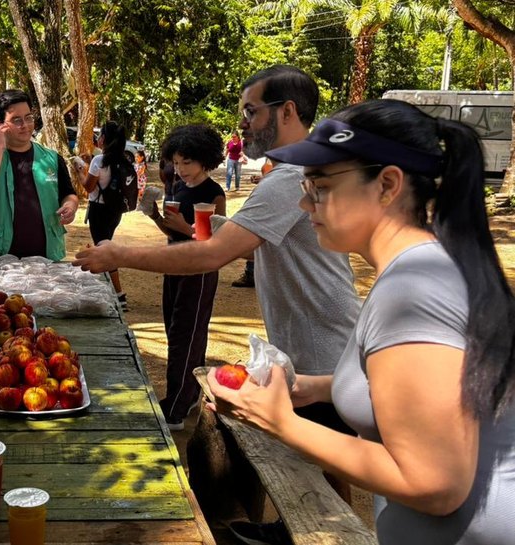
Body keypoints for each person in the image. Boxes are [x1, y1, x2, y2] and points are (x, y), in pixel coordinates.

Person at [208, 99, 515, 544]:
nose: (303, 202)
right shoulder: (421, 268)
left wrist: (281, 423)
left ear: (387, 185)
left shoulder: (415, 290)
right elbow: (433, 387)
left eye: (319, 186)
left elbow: (436, 483)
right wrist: (313, 387)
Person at [74, 65, 359, 435]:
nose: (242, 124)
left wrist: (119, 254)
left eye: (251, 111)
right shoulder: (294, 172)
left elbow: (212, 255)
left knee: (318, 456)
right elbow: (255, 247)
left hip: (323, 354)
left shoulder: (290, 178)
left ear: (287, 111)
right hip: (314, 352)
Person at [143, 124, 225, 430]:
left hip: (198, 271)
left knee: (185, 337)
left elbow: (215, 241)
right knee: (177, 332)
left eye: (186, 162)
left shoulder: (213, 193)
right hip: (175, 266)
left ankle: (175, 409)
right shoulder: (178, 187)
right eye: (176, 162)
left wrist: (183, 227)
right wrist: (154, 215)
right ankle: (189, 395)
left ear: (205, 160)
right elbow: (171, 231)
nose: (180, 169)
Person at [0, 89, 79, 261]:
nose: (25, 125)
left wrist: (70, 206)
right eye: (16, 120)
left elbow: (68, 193)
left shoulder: (52, 159)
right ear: (0, 125)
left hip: (46, 256)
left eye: (28, 117)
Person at [82, 121, 132, 309]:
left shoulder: (99, 161)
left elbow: (88, 187)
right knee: (104, 244)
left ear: (103, 138)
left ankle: (119, 295)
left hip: (99, 211)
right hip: (115, 211)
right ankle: (107, 290)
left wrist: (79, 170)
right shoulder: (123, 160)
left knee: (103, 250)